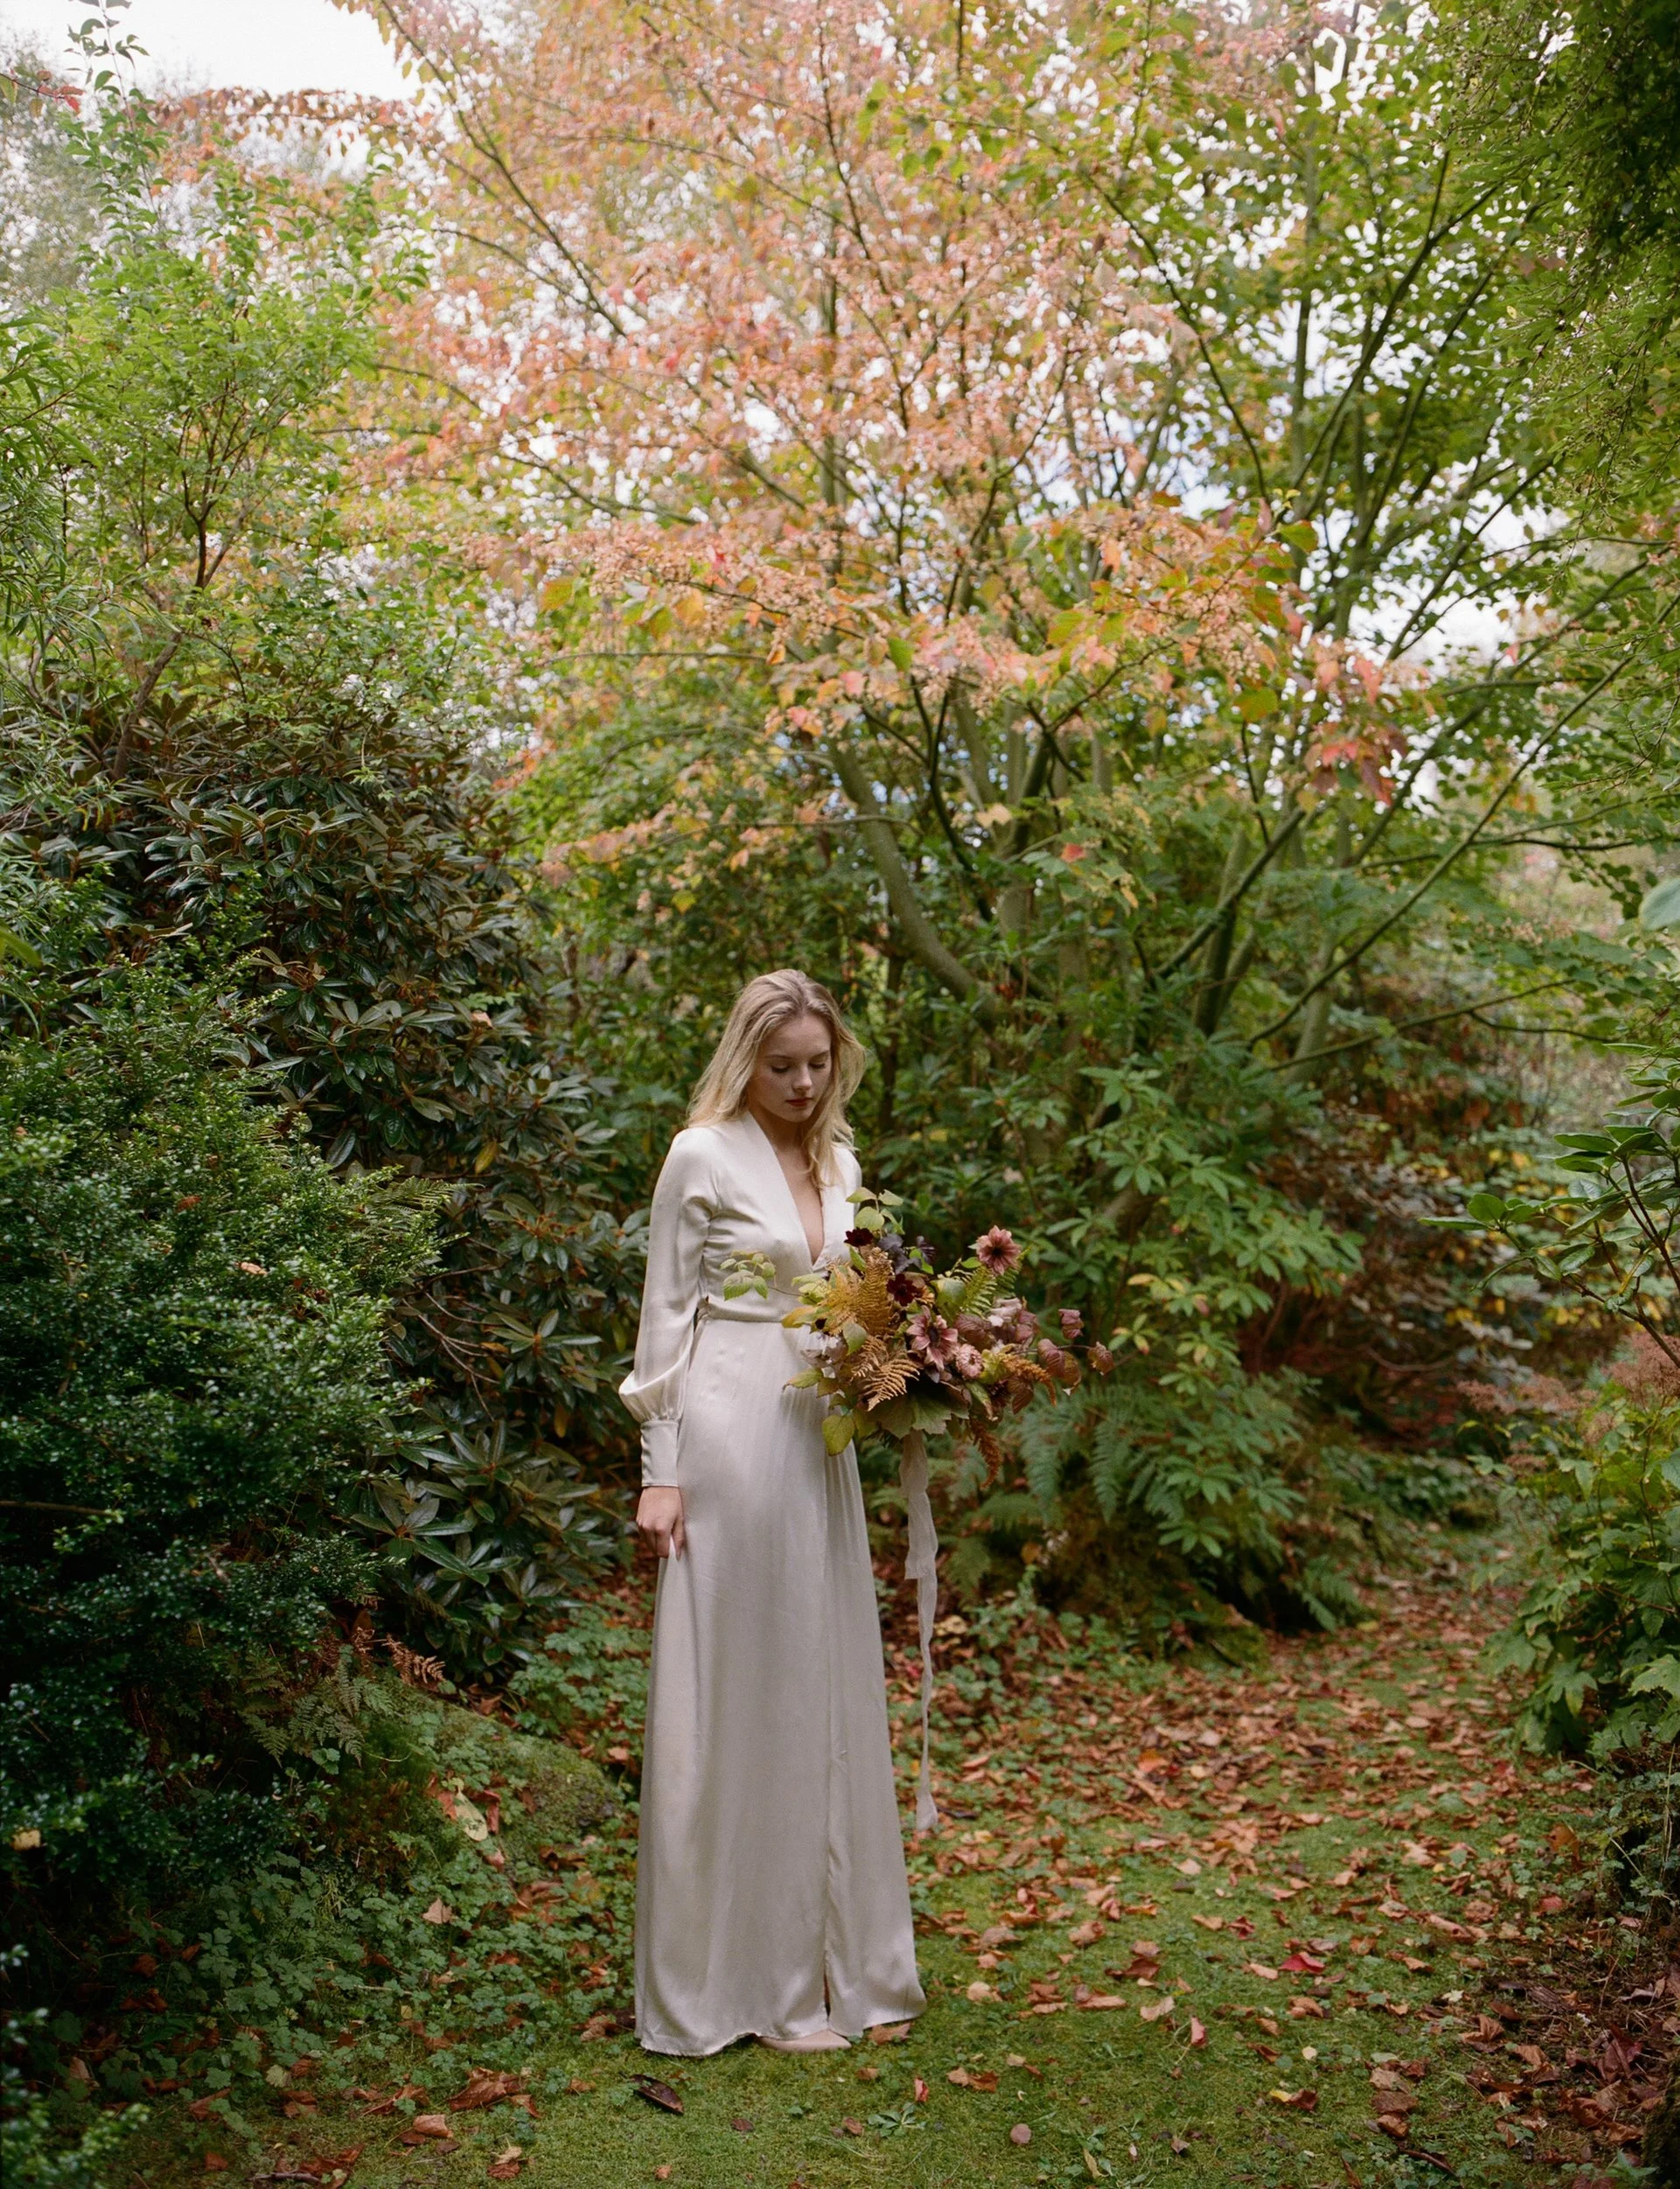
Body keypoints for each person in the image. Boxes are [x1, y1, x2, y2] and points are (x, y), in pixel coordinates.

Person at [619, 968, 926, 2058]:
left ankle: (843, 1964)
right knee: (741, 1692)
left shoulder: (837, 1160)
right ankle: (738, 1981)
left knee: (818, 1680)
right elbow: (665, 1312)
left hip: (818, 1434)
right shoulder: (699, 1154)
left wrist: (910, 1364)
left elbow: (857, 1297)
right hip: (730, 1430)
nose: (802, 1083)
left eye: (817, 1064)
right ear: (743, 1058)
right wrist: (661, 1467)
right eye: (782, 1064)